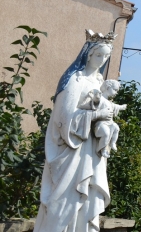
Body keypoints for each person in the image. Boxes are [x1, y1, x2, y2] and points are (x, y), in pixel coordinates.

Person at [35, 30, 117, 232]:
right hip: (71, 152)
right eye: (99, 55)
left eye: (106, 56)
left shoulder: (99, 82)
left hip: (90, 151)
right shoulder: (75, 81)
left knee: (86, 201)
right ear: (89, 54)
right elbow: (64, 120)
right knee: (64, 202)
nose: (102, 60)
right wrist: (96, 116)